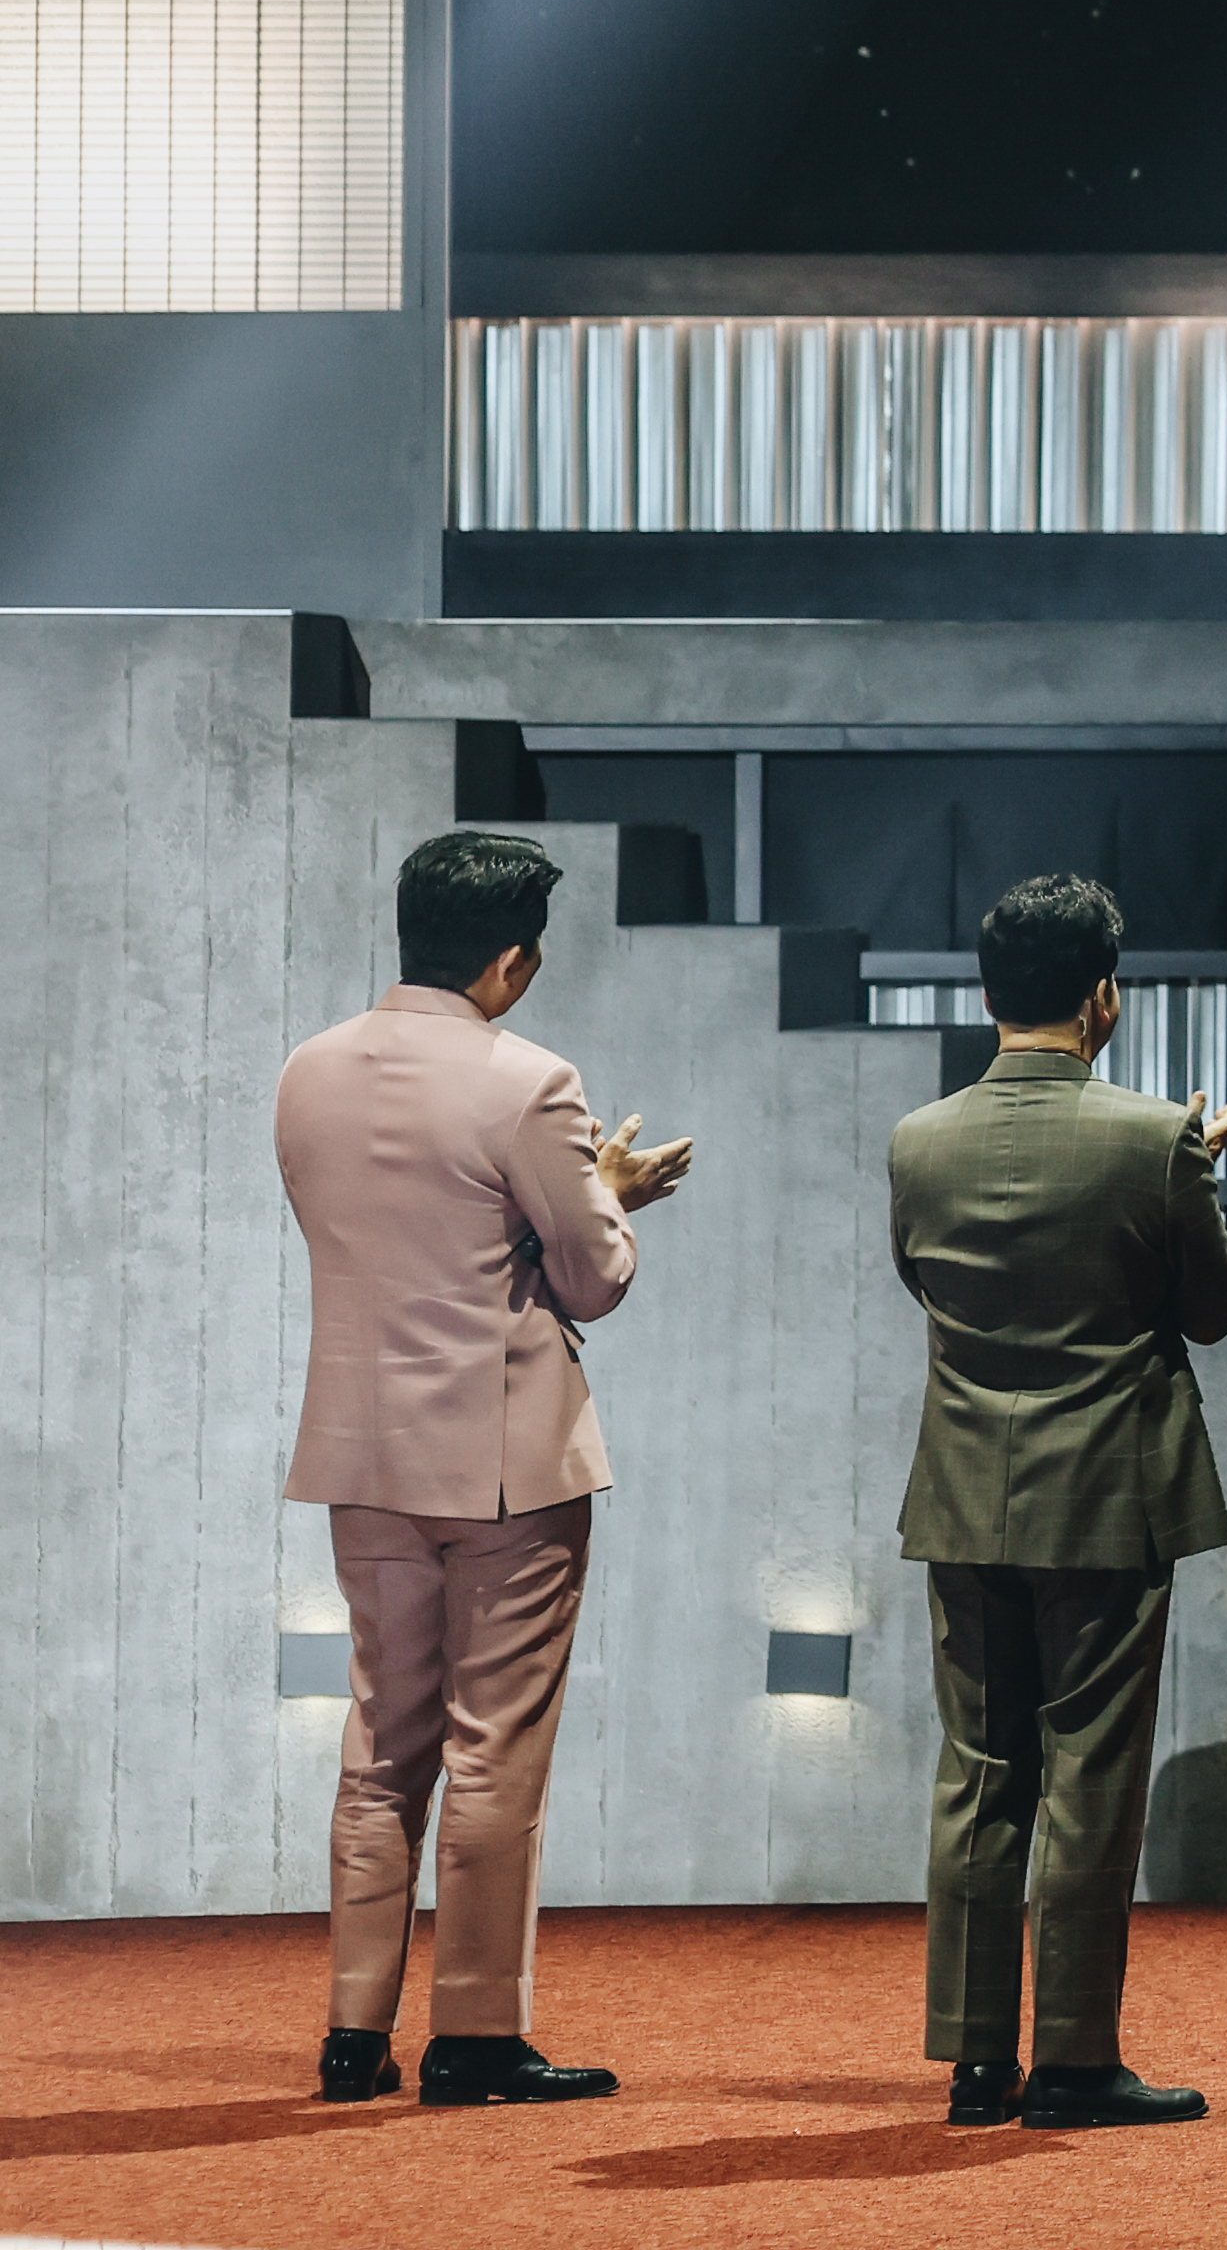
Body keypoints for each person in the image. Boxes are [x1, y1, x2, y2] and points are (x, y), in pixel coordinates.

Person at [277, 828, 693, 2108]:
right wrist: (611, 1190)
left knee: (380, 1744)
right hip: (508, 1461)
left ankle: (355, 2032)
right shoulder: (529, 1080)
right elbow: (592, 1277)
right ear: (512, 961)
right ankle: (474, 2037)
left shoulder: (308, 1071)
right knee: (494, 1747)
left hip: (364, 1449)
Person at [890, 871, 1227, 2134]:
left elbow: (923, 1283)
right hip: (1106, 1501)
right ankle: (1078, 2059)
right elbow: (1212, 1308)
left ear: (989, 992)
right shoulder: (1153, 1138)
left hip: (963, 1499)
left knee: (979, 1770)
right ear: (1105, 996)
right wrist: (1198, 1173)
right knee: (1090, 1776)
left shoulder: (917, 1140)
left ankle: (977, 2057)